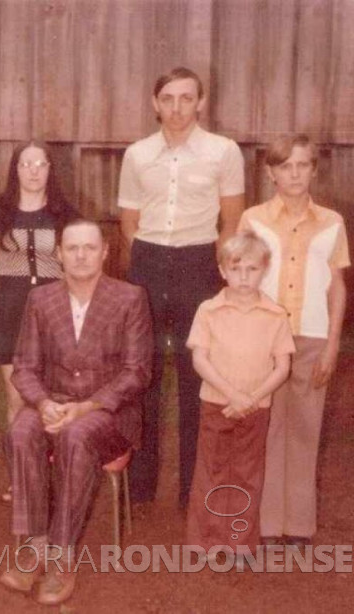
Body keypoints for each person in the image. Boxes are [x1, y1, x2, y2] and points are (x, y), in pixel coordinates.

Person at [1, 218, 152, 605]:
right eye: (72, 248)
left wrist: (85, 407)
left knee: (76, 434)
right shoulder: (41, 299)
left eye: (89, 247)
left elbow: (137, 372)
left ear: (104, 251)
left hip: (109, 413)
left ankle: (62, 555)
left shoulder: (130, 297)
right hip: (55, 402)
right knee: (21, 430)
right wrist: (44, 403)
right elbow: (25, 367)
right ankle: (36, 543)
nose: (81, 255)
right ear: (59, 255)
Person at [118, 66, 246, 506]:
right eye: (167, 98)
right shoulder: (136, 155)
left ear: (201, 102)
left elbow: (231, 220)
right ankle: (140, 485)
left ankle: (194, 487)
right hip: (149, 261)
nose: (176, 107)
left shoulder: (223, 152)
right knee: (143, 372)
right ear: (155, 103)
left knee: (198, 375)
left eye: (186, 98)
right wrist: (149, 256)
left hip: (200, 263)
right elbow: (129, 219)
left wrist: (215, 266)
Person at [239, 135, 350, 548]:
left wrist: (333, 342)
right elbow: (239, 275)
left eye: (303, 165)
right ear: (271, 174)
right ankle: (267, 522)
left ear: (314, 171)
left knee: (305, 426)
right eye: (286, 167)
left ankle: (298, 524)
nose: (295, 174)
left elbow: (336, 284)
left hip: (311, 335)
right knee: (267, 426)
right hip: (264, 338)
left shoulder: (332, 222)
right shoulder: (253, 219)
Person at [0, 141, 72, 502]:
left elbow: (74, 266)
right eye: (26, 164)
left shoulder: (65, 215)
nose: (33, 171)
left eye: (40, 164)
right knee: (18, 398)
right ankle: (21, 477)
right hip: (9, 310)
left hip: (54, 310)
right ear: (15, 169)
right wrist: (4, 305)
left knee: (52, 395)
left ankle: (53, 471)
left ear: (50, 169)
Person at [185, 231, 294, 557]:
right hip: (217, 403)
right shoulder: (208, 310)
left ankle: (239, 543)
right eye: (236, 269)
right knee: (212, 470)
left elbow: (282, 367)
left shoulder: (276, 315)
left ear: (265, 270)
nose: (244, 277)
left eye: (252, 269)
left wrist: (251, 398)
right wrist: (232, 394)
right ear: (222, 271)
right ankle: (205, 541)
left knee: (247, 474)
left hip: (256, 407)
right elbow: (199, 358)